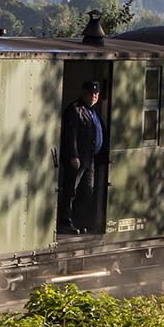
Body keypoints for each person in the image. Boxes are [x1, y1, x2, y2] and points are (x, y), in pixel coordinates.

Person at [61, 78, 107, 234]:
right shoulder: (75, 109)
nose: (94, 96)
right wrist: (73, 156)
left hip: (90, 159)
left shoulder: (94, 112)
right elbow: (70, 135)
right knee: (71, 190)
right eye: (91, 93)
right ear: (84, 93)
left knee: (87, 191)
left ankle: (80, 221)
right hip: (78, 159)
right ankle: (65, 221)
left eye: (96, 94)